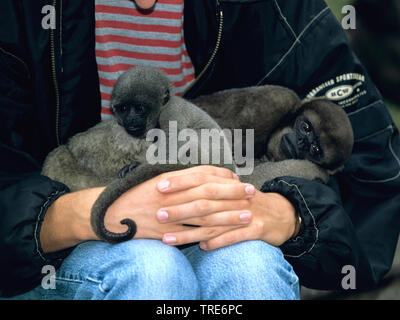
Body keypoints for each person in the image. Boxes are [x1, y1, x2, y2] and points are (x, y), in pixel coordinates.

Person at [0, 0, 398, 299]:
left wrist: (292, 216)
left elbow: (371, 173)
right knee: (149, 270)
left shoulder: (271, 10)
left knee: (252, 268)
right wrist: (82, 215)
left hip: (221, 233)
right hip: (56, 249)